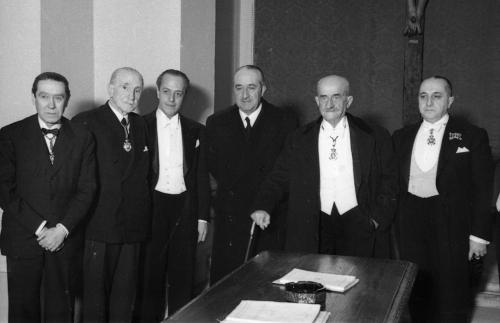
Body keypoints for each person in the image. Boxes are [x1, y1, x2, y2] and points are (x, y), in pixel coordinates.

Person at [250, 75, 397, 257]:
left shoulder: (375, 135)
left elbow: (390, 181)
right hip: (315, 223)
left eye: (336, 96)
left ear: (348, 101)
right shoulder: (299, 138)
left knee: (359, 281)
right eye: (323, 97)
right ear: (316, 101)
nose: (329, 104)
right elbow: (279, 176)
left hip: (359, 222)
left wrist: (376, 219)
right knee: (316, 279)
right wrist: (263, 205)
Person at [392, 76, 493, 322]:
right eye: (423, 96)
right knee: (416, 292)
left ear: (450, 101)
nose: (429, 102)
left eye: (437, 96)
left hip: (452, 225)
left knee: (452, 295)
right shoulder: (401, 136)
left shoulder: (471, 135)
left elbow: (483, 188)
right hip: (411, 224)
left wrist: (479, 236)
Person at [0, 72, 96, 322]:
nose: (51, 105)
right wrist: (42, 228)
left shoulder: (83, 136)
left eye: (58, 98)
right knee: (23, 314)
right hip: (23, 239)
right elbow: (4, 190)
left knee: (60, 313)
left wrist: (62, 230)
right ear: (34, 98)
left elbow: (87, 189)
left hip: (64, 240)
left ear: (67, 100)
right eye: (44, 97)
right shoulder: (10, 135)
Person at [73, 67, 151, 322]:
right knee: (94, 303)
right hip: (99, 227)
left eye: (137, 89)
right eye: (125, 87)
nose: (131, 94)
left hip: (132, 228)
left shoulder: (140, 124)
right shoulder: (87, 121)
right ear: (110, 88)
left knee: (124, 301)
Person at [206, 65, 297, 284]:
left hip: (269, 217)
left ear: (263, 89)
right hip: (230, 218)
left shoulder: (284, 121)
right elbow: (215, 168)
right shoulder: (217, 122)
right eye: (239, 88)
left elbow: (286, 172)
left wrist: (265, 202)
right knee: (227, 288)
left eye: (251, 88)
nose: (245, 95)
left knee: (265, 284)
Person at [137, 69, 210, 320]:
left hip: (185, 209)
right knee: (150, 277)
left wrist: (202, 217)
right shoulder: (139, 126)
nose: (171, 98)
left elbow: (201, 176)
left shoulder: (196, 130)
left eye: (178, 93)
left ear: (184, 96)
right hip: (152, 209)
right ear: (158, 92)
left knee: (183, 276)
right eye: (166, 92)